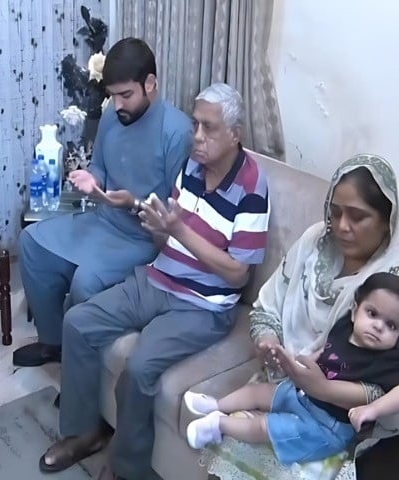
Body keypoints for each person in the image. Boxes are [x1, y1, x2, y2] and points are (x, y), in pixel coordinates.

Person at [39, 83, 270, 480]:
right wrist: (159, 228)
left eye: (208, 128)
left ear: (235, 134)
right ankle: (83, 433)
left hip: (203, 305)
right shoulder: (193, 166)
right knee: (78, 322)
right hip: (158, 277)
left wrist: (178, 230)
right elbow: (171, 236)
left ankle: (126, 468)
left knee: (141, 366)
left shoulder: (252, 186)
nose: (196, 136)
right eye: (195, 124)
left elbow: (238, 272)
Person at [202, 154, 399, 480]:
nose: (342, 226)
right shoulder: (313, 242)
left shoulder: (391, 284)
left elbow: (384, 386)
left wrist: (320, 387)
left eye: (358, 217)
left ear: (386, 219)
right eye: (335, 212)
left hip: (342, 414)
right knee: (232, 441)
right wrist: (267, 340)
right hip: (285, 381)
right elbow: (267, 306)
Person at [13, 37, 193, 367]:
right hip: (103, 219)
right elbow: (100, 164)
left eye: (126, 95)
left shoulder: (177, 131)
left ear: (150, 84)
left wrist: (135, 203)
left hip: (143, 240)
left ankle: (80, 371)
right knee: (32, 243)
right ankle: (52, 343)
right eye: (113, 95)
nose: (118, 104)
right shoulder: (113, 116)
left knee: (87, 281)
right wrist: (91, 178)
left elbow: (176, 214)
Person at [186, 272, 399, 465]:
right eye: (372, 313)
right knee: (259, 392)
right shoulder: (345, 326)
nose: (378, 326)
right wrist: (303, 363)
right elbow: (327, 351)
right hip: (303, 395)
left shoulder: (389, 361)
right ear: (355, 311)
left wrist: (372, 409)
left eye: (392, 326)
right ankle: (216, 405)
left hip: (326, 426)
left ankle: (217, 425)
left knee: (265, 427)